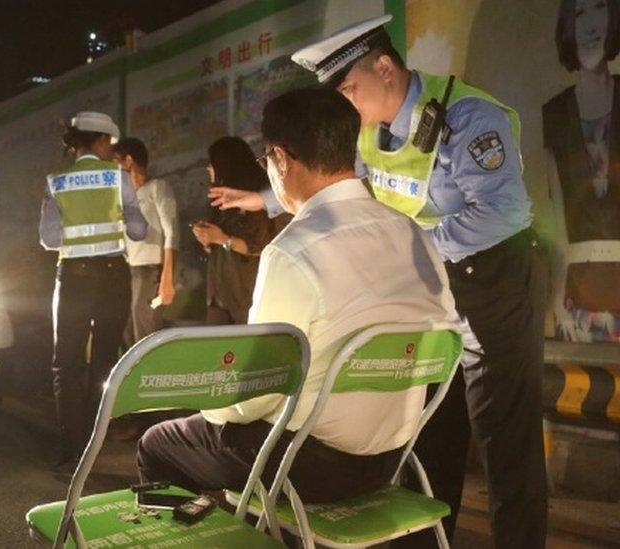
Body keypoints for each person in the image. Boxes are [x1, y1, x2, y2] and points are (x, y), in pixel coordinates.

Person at [208, 15, 546, 547]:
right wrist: (266, 198)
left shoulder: (468, 117)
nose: (344, 105)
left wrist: (412, 245)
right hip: (430, 289)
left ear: (385, 67)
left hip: (491, 285)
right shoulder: (372, 132)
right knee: (431, 434)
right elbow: (341, 177)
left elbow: (506, 211)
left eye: (347, 88)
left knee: (506, 441)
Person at [137, 88, 459, 507]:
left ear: (281, 160)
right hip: (394, 458)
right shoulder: (413, 232)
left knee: (158, 442)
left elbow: (258, 392)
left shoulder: (294, 250)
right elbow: (446, 335)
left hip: (308, 464)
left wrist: (211, 407)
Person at [39, 111, 147, 469]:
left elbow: (49, 238)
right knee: (104, 359)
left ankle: (71, 446)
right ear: (101, 141)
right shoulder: (118, 177)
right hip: (113, 276)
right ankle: (96, 441)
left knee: (66, 363)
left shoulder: (56, 181)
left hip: (73, 277)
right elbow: (138, 231)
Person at [544, 0, 620, 343]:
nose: (590, 25)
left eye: (599, 8)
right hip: (582, 297)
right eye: (579, 14)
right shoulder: (554, 114)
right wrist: (556, 304)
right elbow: (558, 225)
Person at [192, 137, 272, 326]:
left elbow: (260, 246)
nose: (208, 168)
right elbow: (217, 244)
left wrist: (222, 239)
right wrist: (207, 239)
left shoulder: (258, 200)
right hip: (218, 295)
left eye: (212, 163)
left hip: (244, 293)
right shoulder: (219, 199)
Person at [112, 137, 179, 344]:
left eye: (116, 162)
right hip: (128, 272)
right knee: (128, 335)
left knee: (146, 336)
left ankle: (154, 376)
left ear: (128, 160)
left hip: (151, 272)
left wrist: (167, 278)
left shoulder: (157, 187)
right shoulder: (122, 198)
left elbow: (172, 233)